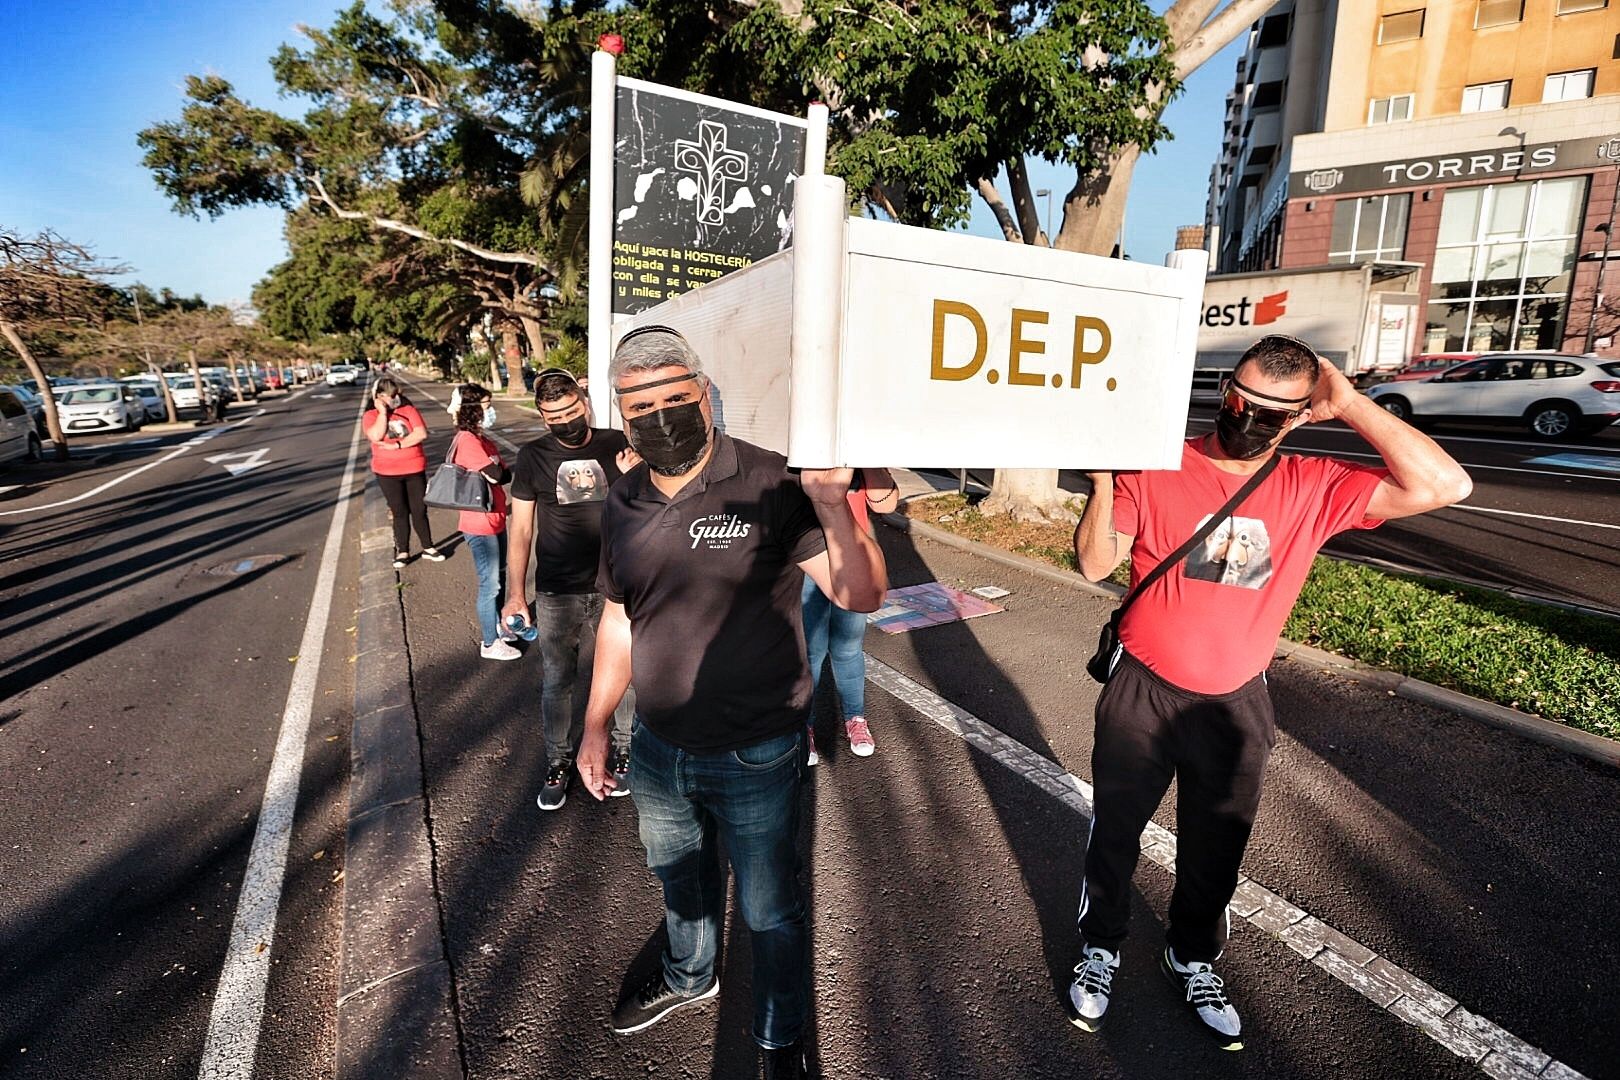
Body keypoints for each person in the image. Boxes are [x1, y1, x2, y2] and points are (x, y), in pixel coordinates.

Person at [1066, 335, 1472, 1050]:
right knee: (1116, 834)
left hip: (1234, 704)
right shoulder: (1160, 465)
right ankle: (1100, 947)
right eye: (1238, 400)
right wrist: (1103, 482)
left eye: (1269, 412)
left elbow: (1446, 487)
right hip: (1143, 690)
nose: (1246, 417)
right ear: (1225, 390)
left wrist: (1348, 403)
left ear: (1297, 417)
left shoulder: (1313, 483)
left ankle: (1190, 957)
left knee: (1215, 849)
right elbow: (1096, 560)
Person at [575, 327, 888, 1080]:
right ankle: (690, 976)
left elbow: (861, 594)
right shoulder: (620, 501)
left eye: (675, 398)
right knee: (679, 881)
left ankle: (780, 1043)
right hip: (657, 750)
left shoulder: (772, 482)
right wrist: (592, 726)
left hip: (757, 751)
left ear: (707, 395)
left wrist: (834, 507)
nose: (658, 416)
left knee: (770, 913)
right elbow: (620, 619)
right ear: (621, 412)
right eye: (639, 405)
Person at [502, 368, 637, 810]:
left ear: (585, 402)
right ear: (543, 417)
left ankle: (624, 751)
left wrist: (634, 478)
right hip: (558, 589)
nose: (565, 421)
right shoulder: (532, 457)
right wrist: (515, 593)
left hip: (615, 584)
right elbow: (521, 529)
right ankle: (558, 762)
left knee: (625, 677)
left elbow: (649, 508)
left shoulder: (619, 443)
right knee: (558, 681)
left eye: (571, 410)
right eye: (554, 415)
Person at [800, 468, 899, 765]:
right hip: (806, 557)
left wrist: (866, 457)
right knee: (811, 651)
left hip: (853, 559)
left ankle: (855, 718)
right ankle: (803, 727)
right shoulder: (803, 446)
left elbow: (886, 504)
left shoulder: (857, 451)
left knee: (847, 647)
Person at [449, 384, 517, 661]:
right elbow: (496, 474)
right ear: (472, 408)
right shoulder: (468, 440)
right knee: (490, 585)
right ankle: (489, 642)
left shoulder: (482, 438)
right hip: (479, 524)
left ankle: (499, 627)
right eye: (487, 405)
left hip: (495, 518)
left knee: (498, 578)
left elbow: (505, 474)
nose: (491, 410)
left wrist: (501, 471)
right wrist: (500, 471)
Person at [363, 376, 446, 568]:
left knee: (419, 510)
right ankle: (403, 551)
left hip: (414, 467)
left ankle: (428, 547)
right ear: (378, 396)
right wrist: (383, 413)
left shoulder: (408, 410)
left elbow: (421, 433)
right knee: (399, 511)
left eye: (396, 395)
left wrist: (398, 445)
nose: (393, 399)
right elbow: (375, 436)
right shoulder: (370, 416)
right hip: (387, 472)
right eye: (388, 396)